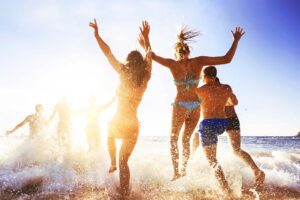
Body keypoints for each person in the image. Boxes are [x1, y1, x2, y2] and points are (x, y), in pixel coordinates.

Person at [143, 26, 245, 180]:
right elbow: (227, 59)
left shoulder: (173, 64)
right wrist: (236, 40)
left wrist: (146, 38)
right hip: (195, 105)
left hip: (181, 104)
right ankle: (183, 170)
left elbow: (151, 55)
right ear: (188, 51)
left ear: (177, 52)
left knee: (173, 138)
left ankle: (177, 172)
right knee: (185, 140)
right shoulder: (199, 61)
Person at [89, 19, 152, 198]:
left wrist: (97, 36)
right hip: (133, 123)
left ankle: (112, 162)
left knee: (109, 134)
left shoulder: (122, 72)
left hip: (118, 119)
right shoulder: (146, 77)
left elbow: (108, 53)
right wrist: (147, 39)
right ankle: (125, 194)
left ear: (129, 62)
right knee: (125, 162)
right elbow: (150, 55)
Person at [192, 77, 265, 189]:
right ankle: (256, 171)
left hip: (226, 120)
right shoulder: (223, 90)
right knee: (236, 149)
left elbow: (234, 102)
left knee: (232, 150)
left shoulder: (222, 91)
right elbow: (234, 102)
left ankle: (256, 172)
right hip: (229, 120)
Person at [195, 66, 237, 198]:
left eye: (202, 76)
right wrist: (223, 101)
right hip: (222, 124)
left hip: (208, 124)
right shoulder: (226, 88)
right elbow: (235, 102)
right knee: (197, 135)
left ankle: (227, 190)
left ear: (204, 76)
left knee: (212, 160)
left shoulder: (200, 90)